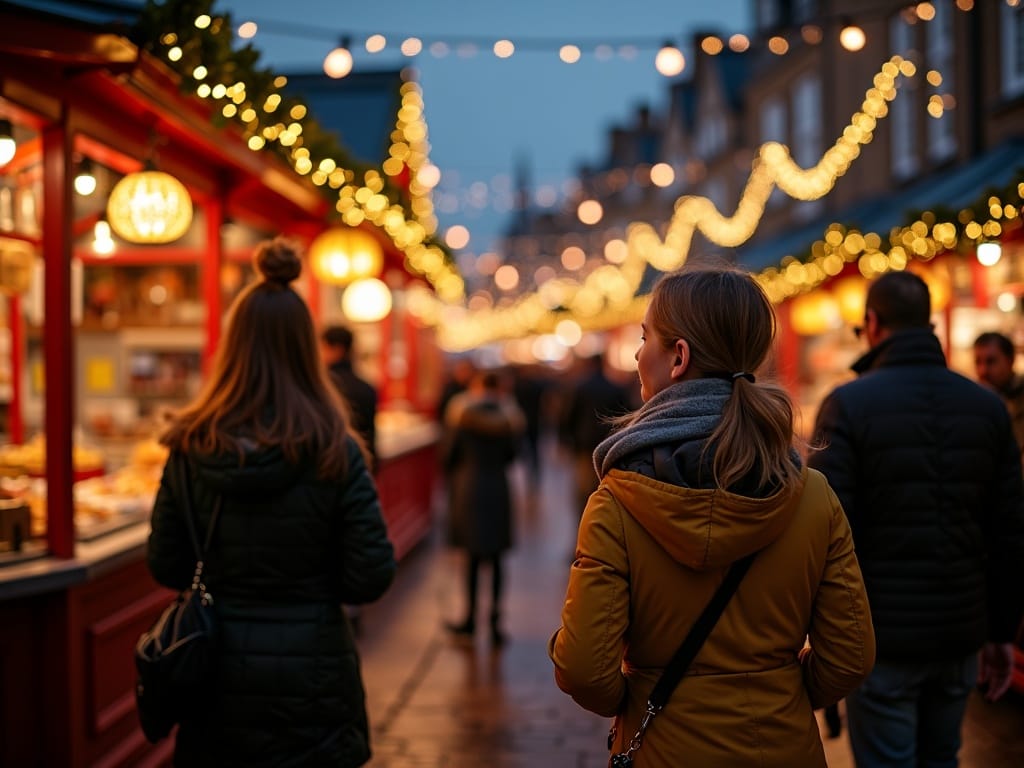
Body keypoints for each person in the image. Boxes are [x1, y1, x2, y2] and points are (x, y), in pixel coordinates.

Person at [549, 265, 875, 767]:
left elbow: (584, 669)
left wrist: (642, 700)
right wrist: (777, 693)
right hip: (783, 747)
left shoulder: (618, 501)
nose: (637, 355)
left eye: (643, 339)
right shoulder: (812, 495)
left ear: (678, 357)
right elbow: (849, 656)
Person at [147, 237, 396, 767]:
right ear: (307, 351)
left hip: (217, 678)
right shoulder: (336, 451)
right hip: (316, 679)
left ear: (231, 348)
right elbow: (370, 575)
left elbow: (166, 563)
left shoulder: (191, 448)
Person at [809, 271, 1024, 768]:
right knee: (942, 758)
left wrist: (822, 634)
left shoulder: (849, 405)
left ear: (873, 323)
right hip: (961, 632)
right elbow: (1010, 532)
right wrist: (1000, 632)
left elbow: (827, 530)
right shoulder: (987, 408)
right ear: (927, 324)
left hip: (881, 637)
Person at [442, 369, 525, 646]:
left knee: (472, 558)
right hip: (498, 488)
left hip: (470, 488)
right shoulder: (508, 418)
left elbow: (449, 456)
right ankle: (495, 622)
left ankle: (469, 619)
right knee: (498, 559)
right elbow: (513, 456)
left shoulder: (461, 416)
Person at [560, 353, 632, 517]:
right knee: (606, 487)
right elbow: (625, 416)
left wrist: (567, 439)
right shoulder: (615, 388)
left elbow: (570, 416)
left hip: (585, 445)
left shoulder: (580, 387)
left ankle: (585, 525)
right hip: (609, 444)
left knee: (584, 490)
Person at [322, 324, 378, 471]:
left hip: (335, 468)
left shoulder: (325, 387)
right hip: (363, 465)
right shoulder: (367, 387)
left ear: (336, 349)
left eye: (323, 347)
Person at [973, 330, 1024, 458]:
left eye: (991, 361)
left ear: (1010, 360)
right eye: (978, 362)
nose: (983, 370)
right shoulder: (977, 401)